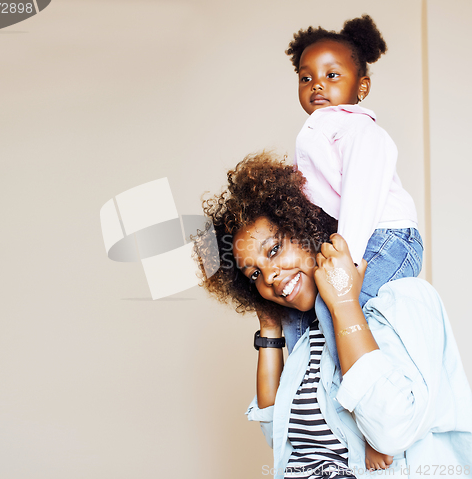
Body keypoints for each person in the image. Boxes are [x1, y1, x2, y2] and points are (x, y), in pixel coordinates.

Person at [197, 152, 472, 478]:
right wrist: (269, 325)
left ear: (306, 227)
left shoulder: (405, 300)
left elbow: (390, 431)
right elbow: (280, 437)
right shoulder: (307, 338)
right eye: (254, 274)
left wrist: (344, 303)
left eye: (273, 250)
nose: (268, 276)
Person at [284, 16, 423, 467]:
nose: (316, 85)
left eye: (332, 75)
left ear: (361, 87)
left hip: (385, 237)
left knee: (337, 310)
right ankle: (311, 414)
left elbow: (362, 197)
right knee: (309, 321)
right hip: (354, 238)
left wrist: (346, 256)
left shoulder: (362, 131)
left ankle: (375, 428)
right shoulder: (317, 132)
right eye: (306, 78)